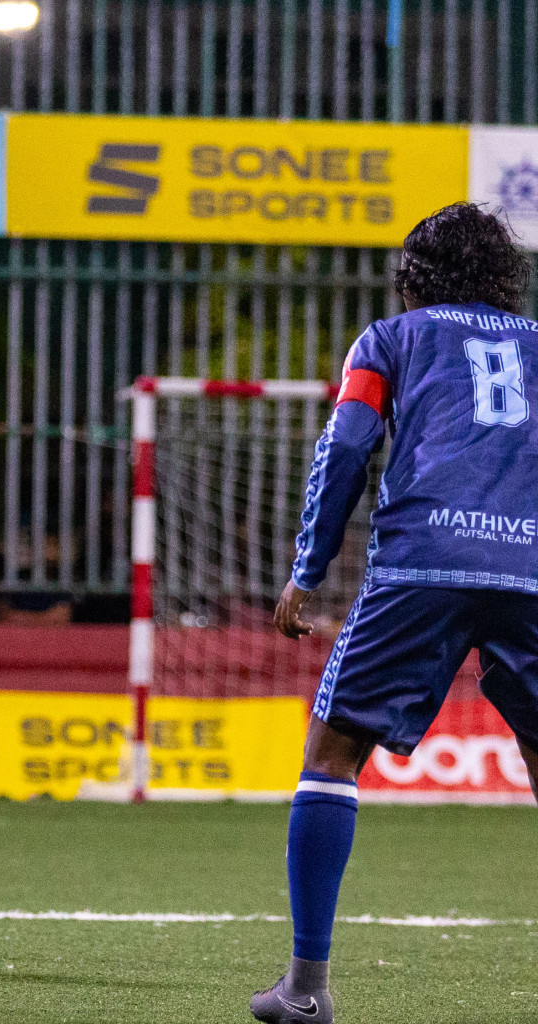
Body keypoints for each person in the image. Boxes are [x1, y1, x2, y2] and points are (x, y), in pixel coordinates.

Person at [254, 202, 538, 1024]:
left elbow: (345, 448)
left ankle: (306, 989)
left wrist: (306, 572)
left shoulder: (390, 339)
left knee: (333, 752)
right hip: (530, 566)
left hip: (425, 562)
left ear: (414, 277)